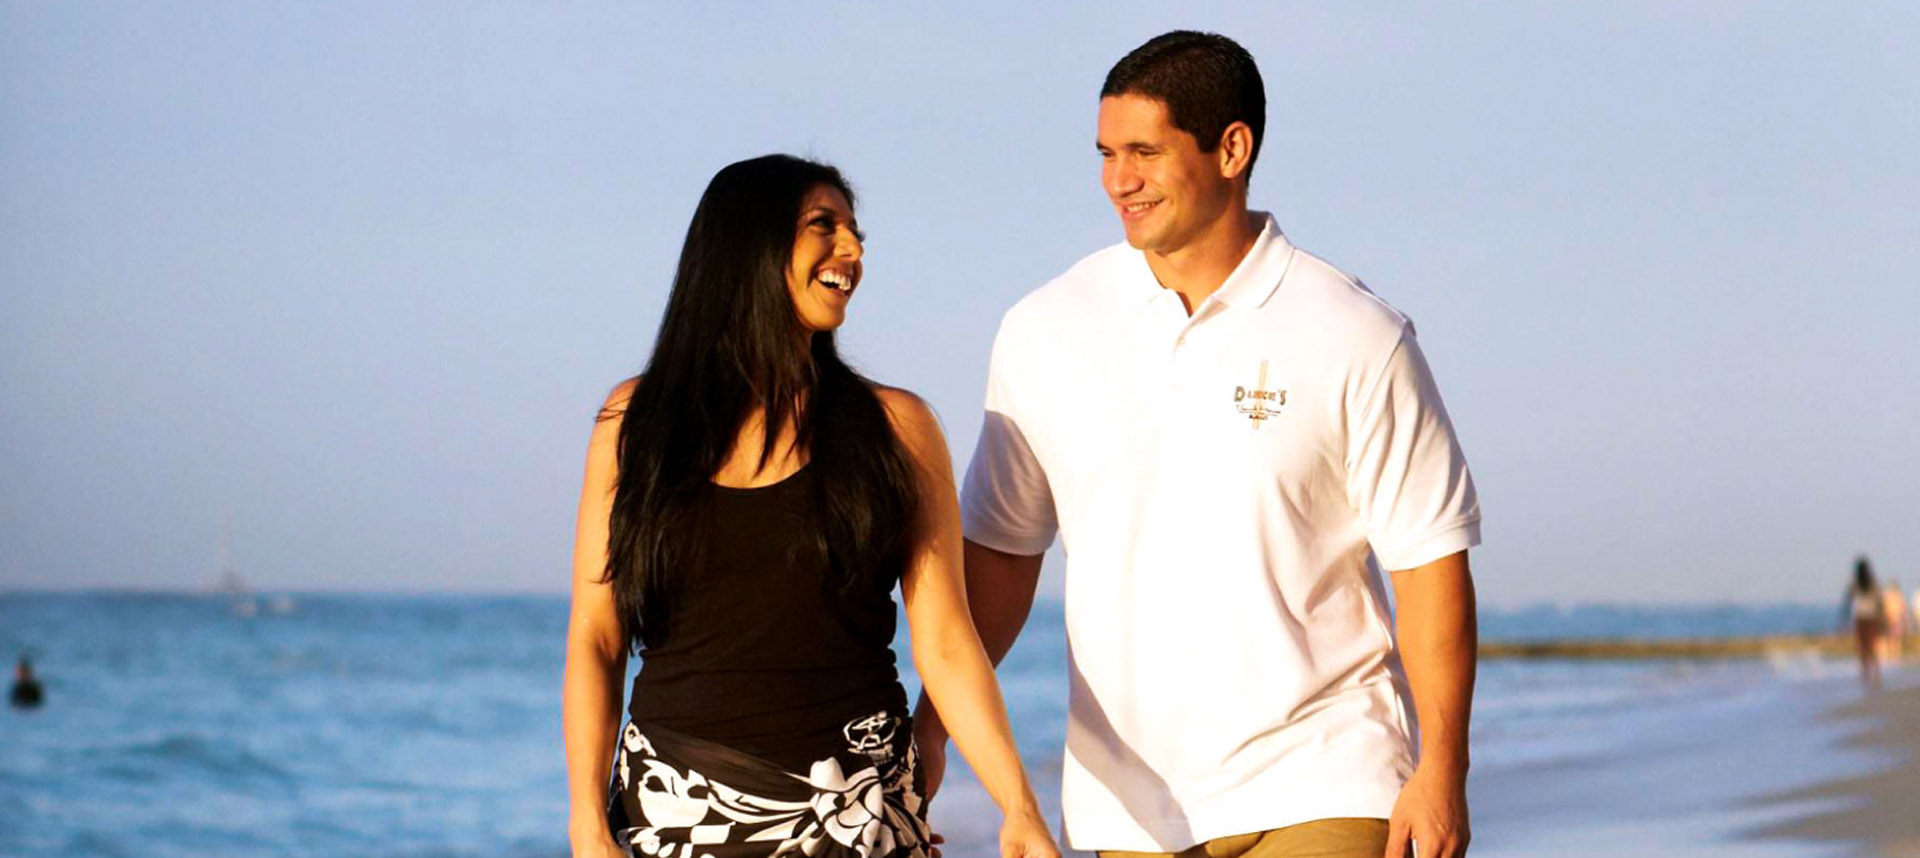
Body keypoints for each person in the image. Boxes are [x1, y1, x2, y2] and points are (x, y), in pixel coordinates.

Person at [911, 31, 1480, 858]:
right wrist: (935, 723)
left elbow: (1430, 565)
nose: (1118, 181)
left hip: (1326, 774)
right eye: (1106, 153)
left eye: (1144, 151)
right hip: (1128, 808)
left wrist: (1443, 772)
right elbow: (999, 556)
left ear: (1231, 149)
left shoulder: (1356, 333)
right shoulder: (1044, 329)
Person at [561, 155, 1060, 858]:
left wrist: (1020, 807)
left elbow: (947, 641)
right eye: (823, 227)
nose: (852, 251)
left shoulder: (896, 428)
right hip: (671, 808)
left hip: (861, 811)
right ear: (747, 247)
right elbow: (597, 635)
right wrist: (587, 821)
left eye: (856, 232)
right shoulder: (634, 424)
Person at [1844, 556, 1887, 691]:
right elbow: (1879, 601)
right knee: (1872, 645)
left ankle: (1865, 675)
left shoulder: (1855, 583)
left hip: (1860, 617)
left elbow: (1847, 601)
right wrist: (1882, 618)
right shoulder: (1873, 582)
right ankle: (1876, 672)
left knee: (1862, 647)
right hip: (1872, 617)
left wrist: (1844, 618)